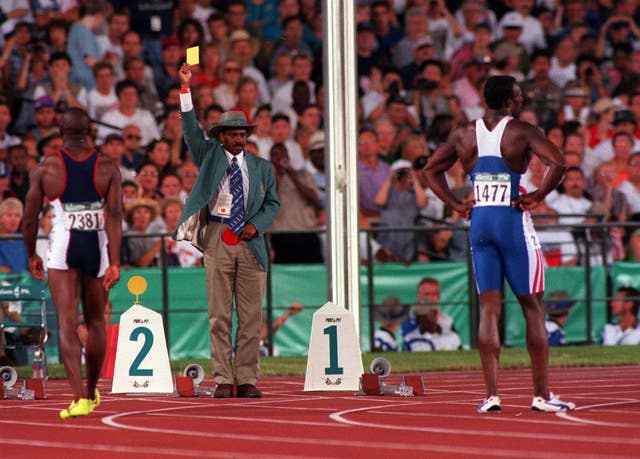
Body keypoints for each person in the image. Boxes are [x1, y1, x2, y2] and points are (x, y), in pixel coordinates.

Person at [423, 75, 575, 413]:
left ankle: (491, 395)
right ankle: (542, 396)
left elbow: (430, 169)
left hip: (480, 223)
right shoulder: (521, 131)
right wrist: (538, 194)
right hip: (512, 222)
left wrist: (456, 203)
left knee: (488, 309)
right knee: (533, 307)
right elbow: (560, 162)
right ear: (508, 102)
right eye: (519, 97)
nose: (521, 102)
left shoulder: (463, 132)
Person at [175, 63, 279, 399]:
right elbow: (191, 130)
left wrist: (255, 225)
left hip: (251, 241)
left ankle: (247, 379)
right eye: (233, 134)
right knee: (219, 315)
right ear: (221, 136)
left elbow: (273, 205)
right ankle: (222, 378)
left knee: (250, 318)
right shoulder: (207, 155)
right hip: (218, 238)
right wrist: (186, 92)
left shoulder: (262, 168)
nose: (239, 139)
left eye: (243, 134)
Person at [21, 107, 122, 419]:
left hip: (64, 245)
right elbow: (116, 216)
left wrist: (31, 255)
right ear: (90, 131)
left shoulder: (46, 168)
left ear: (60, 133)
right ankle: (92, 391)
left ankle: (78, 397)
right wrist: (115, 261)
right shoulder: (107, 167)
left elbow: (28, 219)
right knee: (95, 322)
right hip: (98, 246)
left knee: (67, 321)